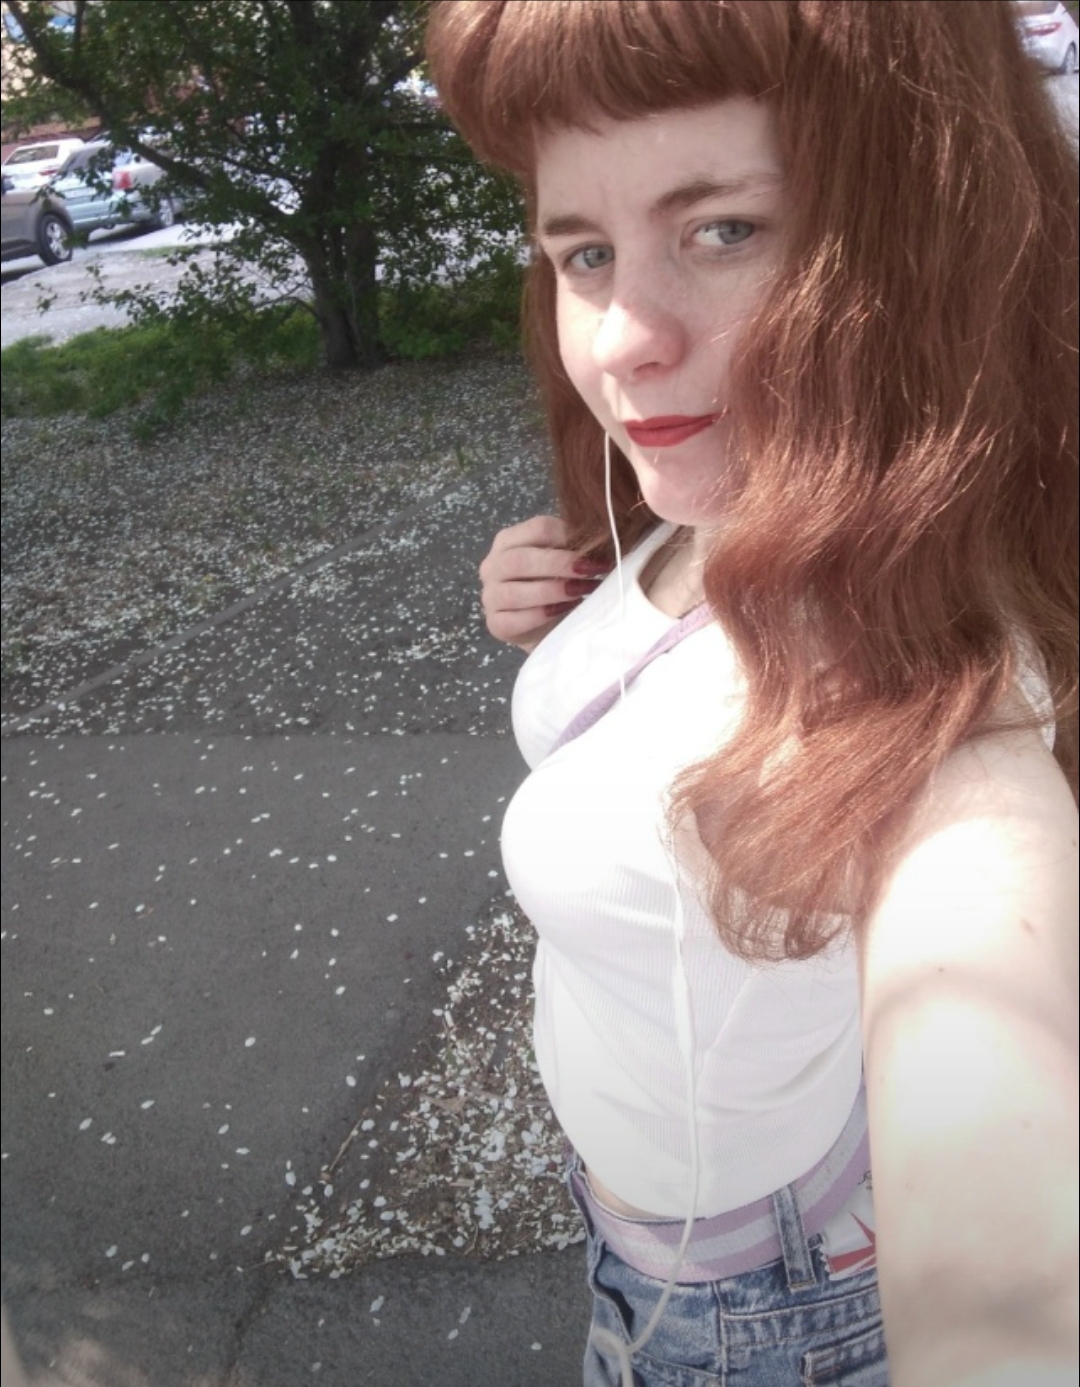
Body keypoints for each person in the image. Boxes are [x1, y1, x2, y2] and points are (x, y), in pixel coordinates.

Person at [425, 4, 1079, 1385]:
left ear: (917, 241)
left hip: (762, 1325)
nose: (623, 339)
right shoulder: (731, 483)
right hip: (634, 1244)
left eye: (723, 229)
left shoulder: (933, 687)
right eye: (584, 252)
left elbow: (1002, 1290)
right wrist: (563, 619)